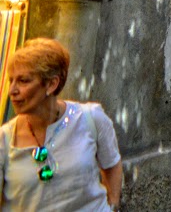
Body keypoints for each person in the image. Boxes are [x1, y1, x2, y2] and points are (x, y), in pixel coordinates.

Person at [0, 37, 122, 211]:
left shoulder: (90, 118)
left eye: (23, 81)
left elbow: (112, 164)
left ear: (51, 84)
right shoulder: (4, 140)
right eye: (10, 81)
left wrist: (113, 204)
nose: (12, 91)